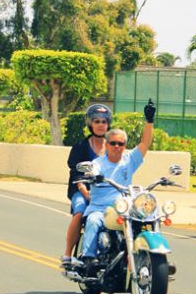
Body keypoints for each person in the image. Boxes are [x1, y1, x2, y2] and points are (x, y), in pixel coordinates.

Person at [80, 100, 156, 275]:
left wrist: (149, 121)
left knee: (145, 221)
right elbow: (92, 170)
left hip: (124, 209)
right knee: (93, 221)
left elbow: (144, 144)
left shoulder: (129, 160)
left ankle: (149, 259)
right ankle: (89, 259)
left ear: (124, 146)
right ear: (106, 145)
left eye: (120, 144)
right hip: (101, 209)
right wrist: (92, 175)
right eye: (113, 143)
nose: (117, 147)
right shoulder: (97, 163)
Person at [60, 104, 110, 268]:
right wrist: (85, 192)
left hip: (105, 192)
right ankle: (68, 253)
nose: (101, 124)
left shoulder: (113, 147)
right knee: (80, 210)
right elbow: (76, 172)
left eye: (104, 121)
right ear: (90, 124)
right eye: (97, 121)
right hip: (83, 190)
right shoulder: (81, 146)